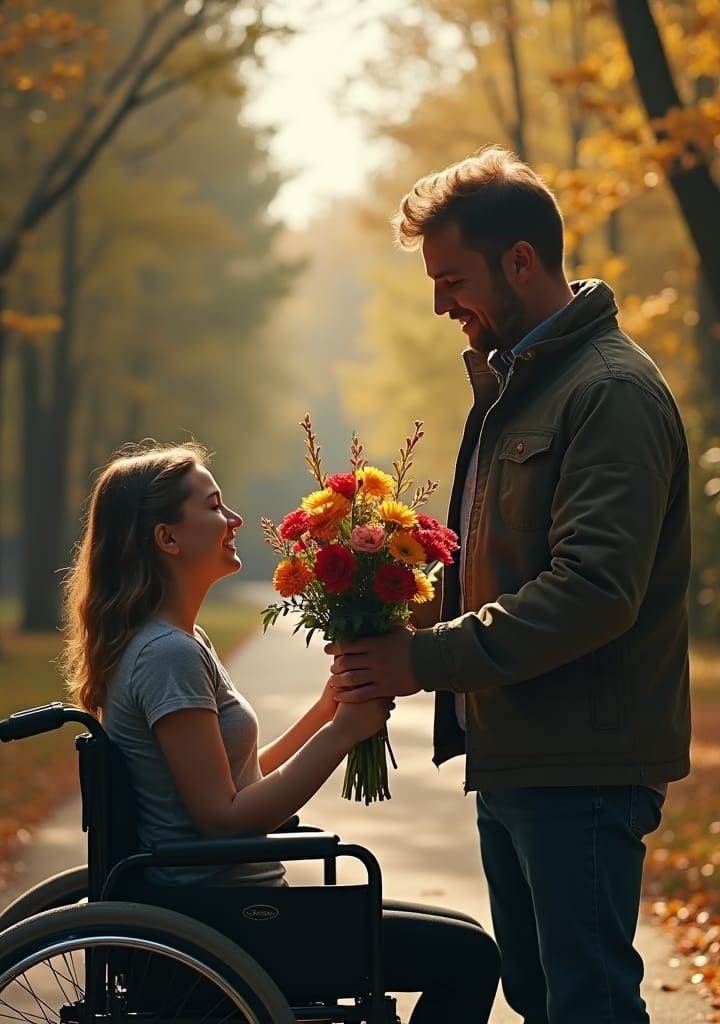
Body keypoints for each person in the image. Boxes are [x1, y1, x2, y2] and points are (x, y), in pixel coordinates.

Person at [328, 146, 691, 1024]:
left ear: (521, 261)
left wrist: (424, 658)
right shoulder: (519, 386)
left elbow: (595, 588)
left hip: (582, 761)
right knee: (538, 995)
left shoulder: (608, 392)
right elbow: (510, 564)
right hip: (519, 752)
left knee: (587, 1001)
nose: (440, 304)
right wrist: (393, 603)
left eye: (452, 279)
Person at [61, 441, 500, 1024]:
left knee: (460, 932)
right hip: (224, 919)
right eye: (213, 506)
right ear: (167, 538)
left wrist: (325, 713)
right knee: (470, 956)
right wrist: (342, 736)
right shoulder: (167, 655)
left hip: (225, 906)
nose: (234, 519)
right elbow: (223, 819)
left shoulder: (176, 642)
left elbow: (238, 780)